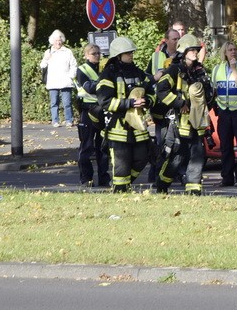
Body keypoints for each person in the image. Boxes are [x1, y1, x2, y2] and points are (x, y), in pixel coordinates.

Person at [154, 34, 214, 195]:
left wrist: (206, 103)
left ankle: (194, 190)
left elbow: (209, 93)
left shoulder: (200, 71)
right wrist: (180, 103)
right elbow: (161, 90)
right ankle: (162, 184)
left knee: (198, 154)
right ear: (183, 51)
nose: (195, 52)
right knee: (177, 157)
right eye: (192, 50)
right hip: (180, 122)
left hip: (199, 121)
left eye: (196, 50)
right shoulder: (175, 69)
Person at [97, 37, 155, 193]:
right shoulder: (109, 74)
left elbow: (151, 92)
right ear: (118, 55)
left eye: (131, 53)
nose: (131, 55)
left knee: (142, 158)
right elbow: (105, 101)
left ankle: (125, 185)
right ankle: (120, 191)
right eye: (127, 53)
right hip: (118, 129)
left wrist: (147, 101)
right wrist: (129, 104)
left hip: (137, 127)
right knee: (121, 165)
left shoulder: (137, 72)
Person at [211, 41, 237, 187]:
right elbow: (214, 91)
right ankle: (227, 179)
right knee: (226, 147)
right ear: (225, 53)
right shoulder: (217, 69)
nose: (233, 52)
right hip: (224, 112)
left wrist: (234, 68)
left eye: (235, 49)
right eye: (230, 50)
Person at [145, 28, 181, 185]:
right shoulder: (156, 57)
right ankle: (155, 175)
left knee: (178, 142)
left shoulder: (182, 56)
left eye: (178, 38)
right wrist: (156, 77)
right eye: (174, 39)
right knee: (161, 143)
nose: (177, 41)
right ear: (166, 40)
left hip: (177, 105)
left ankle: (177, 175)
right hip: (160, 107)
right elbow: (146, 80)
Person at [73, 44, 109, 187]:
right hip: (87, 111)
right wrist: (103, 84)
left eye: (99, 53)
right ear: (86, 55)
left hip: (102, 111)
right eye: (94, 53)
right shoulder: (82, 69)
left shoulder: (104, 68)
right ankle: (86, 179)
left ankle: (104, 178)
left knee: (103, 147)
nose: (97, 56)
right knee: (87, 147)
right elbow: (88, 87)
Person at [40, 30, 77, 127]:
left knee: (67, 103)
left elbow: (73, 65)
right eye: (56, 40)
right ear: (52, 41)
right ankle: (55, 121)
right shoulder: (48, 52)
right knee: (54, 103)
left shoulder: (68, 51)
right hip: (53, 81)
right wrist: (46, 58)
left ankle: (69, 120)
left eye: (60, 40)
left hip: (66, 81)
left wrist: (71, 75)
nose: (58, 42)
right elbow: (42, 65)